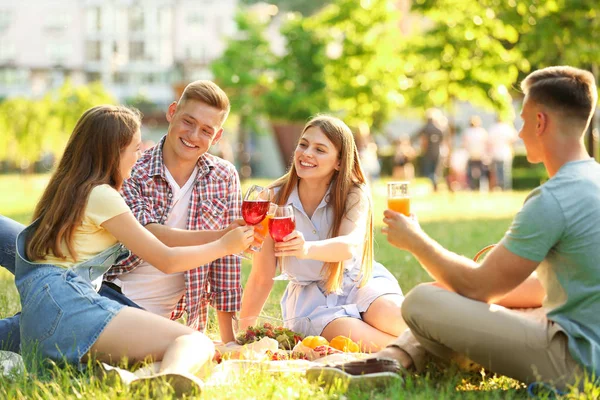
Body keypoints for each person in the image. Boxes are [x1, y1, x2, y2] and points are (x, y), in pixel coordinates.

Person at [312, 66, 600, 392]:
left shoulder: (553, 198)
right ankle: (396, 359)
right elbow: (544, 287)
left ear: (540, 122)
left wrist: (416, 240)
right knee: (462, 299)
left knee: (422, 301)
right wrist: (459, 293)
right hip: (586, 345)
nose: (519, 132)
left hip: (577, 364)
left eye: (523, 120)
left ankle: (397, 359)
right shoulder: (593, 180)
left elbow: (479, 289)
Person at [12, 105, 254, 392]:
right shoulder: (103, 196)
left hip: (40, 320)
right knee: (194, 341)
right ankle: (168, 382)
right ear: (114, 152)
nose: (139, 157)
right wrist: (223, 245)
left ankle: (139, 381)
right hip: (69, 307)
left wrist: (221, 235)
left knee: (162, 353)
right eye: (135, 149)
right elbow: (166, 259)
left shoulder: (69, 189)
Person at [239, 115, 406, 352]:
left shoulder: (353, 193)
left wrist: (306, 249)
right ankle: (425, 353)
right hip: (312, 303)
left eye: (320, 149)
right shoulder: (274, 197)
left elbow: (349, 245)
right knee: (349, 333)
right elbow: (261, 278)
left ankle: (449, 345)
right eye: (303, 144)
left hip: (359, 281)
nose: (307, 153)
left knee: (396, 317)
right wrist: (241, 337)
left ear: (339, 161)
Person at [417, 109, 447, 192]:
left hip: (428, 153)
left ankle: (434, 184)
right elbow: (442, 142)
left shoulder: (426, 128)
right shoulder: (439, 130)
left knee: (429, 171)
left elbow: (423, 140)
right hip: (437, 152)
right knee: (435, 171)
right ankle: (435, 184)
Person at [487, 116, 518, 190]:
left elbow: (489, 141)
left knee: (497, 172)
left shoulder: (493, 128)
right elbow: (513, 139)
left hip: (495, 152)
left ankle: (499, 187)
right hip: (505, 152)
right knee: (506, 171)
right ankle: (506, 187)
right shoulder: (507, 127)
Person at [463, 115, 490, 191]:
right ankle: (482, 188)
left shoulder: (467, 132)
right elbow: (487, 144)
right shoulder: (482, 132)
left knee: (470, 172)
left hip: (472, 155)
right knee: (482, 172)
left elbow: (465, 144)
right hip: (480, 155)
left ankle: (471, 186)